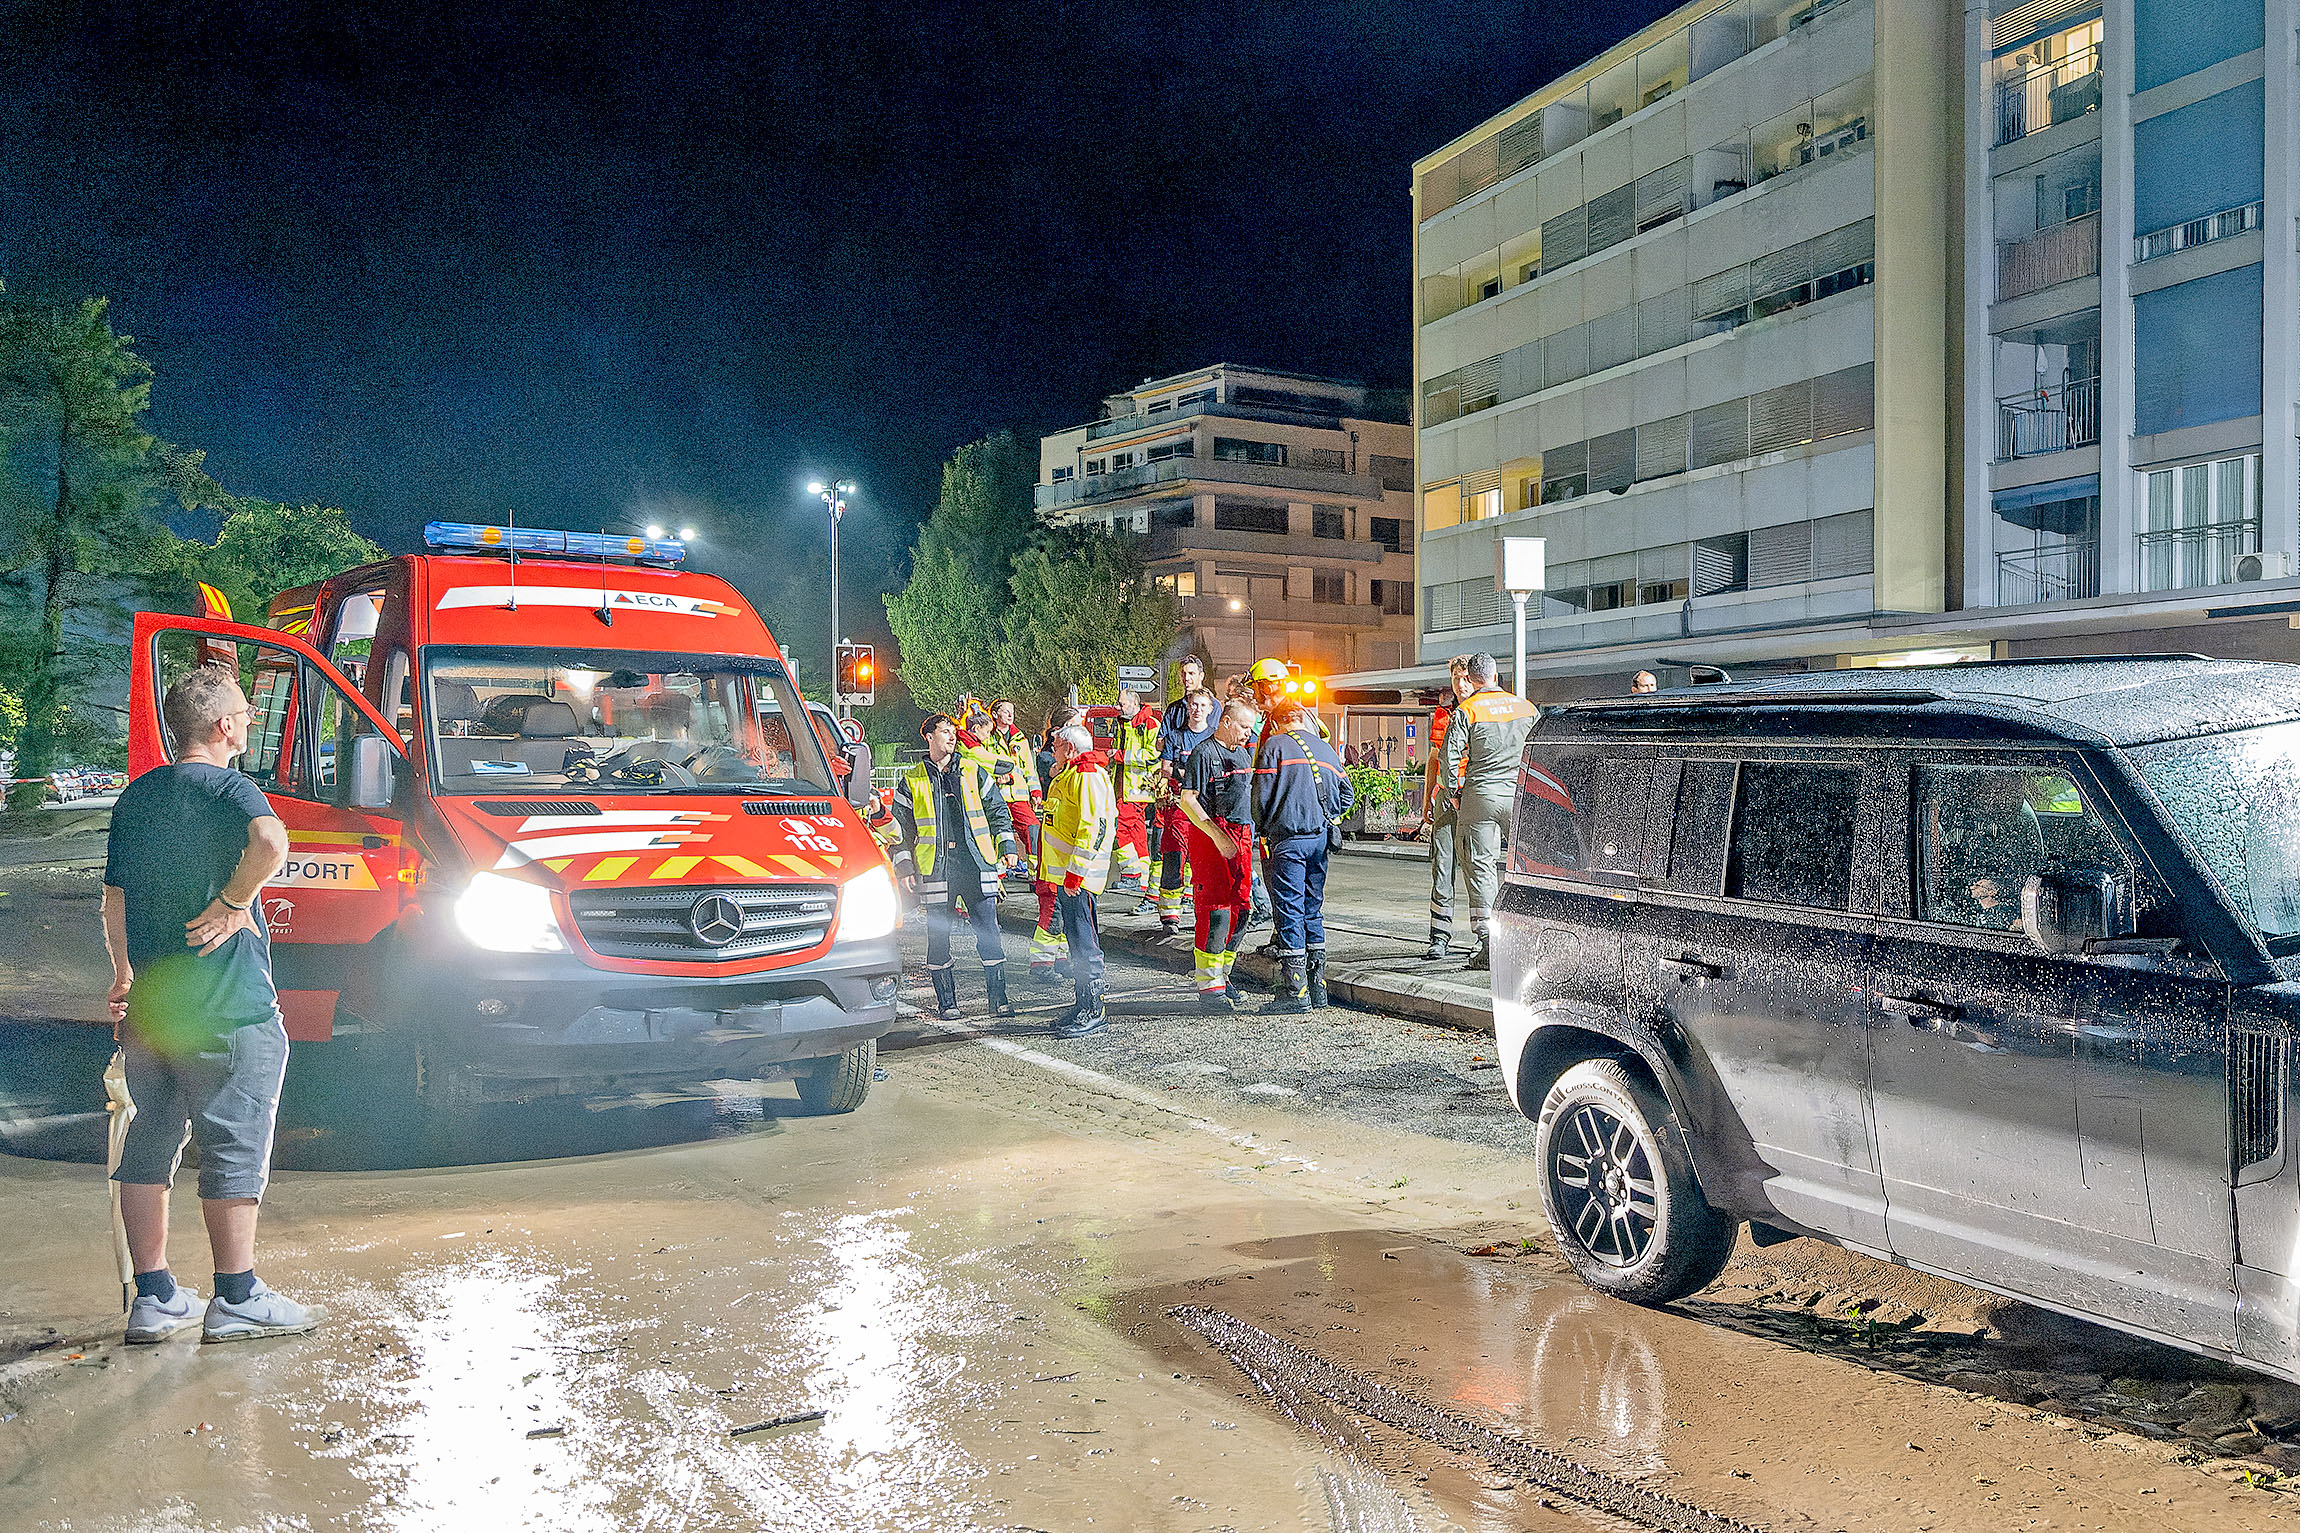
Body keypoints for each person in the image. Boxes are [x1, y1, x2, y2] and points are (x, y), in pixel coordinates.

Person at [102, 663, 317, 1345]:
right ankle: (236, 1294)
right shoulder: (233, 787)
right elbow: (272, 842)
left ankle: (155, 1294)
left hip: (153, 1006)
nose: (250, 722)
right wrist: (233, 901)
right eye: (246, 716)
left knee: (151, 1138)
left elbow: (114, 897)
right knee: (234, 1141)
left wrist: (124, 974)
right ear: (223, 725)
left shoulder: (137, 797)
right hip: (228, 1007)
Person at [892, 713, 1022, 1021]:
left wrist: (1007, 847)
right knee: (939, 938)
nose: (952, 737)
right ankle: (947, 1004)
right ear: (929, 737)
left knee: (989, 933)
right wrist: (905, 867)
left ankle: (999, 1000)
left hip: (977, 864)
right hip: (937, 869)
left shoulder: (973, 771)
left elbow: (998, 812)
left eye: (953, 732)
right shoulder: (912, 780)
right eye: (944, 732)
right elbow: (899, 830)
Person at [1251, 697, 1355, 1015]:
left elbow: (1260, 797)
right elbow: (1347, 793)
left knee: (1289, 911)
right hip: (1320, 840)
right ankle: (1318, 988)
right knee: (1312, 910)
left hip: (1288, 841)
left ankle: (1294, 993)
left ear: (1279, 721)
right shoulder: (1326, 750)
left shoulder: (1274, 746)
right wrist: (1330, 815)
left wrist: (1264, 825)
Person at [1442, 652, 1539, 970]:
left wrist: (1456, 793)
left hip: (1480, 796)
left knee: (1479, 867)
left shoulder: (1466, 710)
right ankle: (1528, 937)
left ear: (1469, 678)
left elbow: (1450, 759)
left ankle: (1488, 944)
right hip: (1519, 797)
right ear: (1497, 676)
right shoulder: (1526, 708)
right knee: (1526, 866)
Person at [1038, 723, 1117, 1038]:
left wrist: (1075, 874)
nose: (1052, 750)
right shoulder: (1071, 774)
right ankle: (1083, 1004)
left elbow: (1091, 828)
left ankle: (1094, 1010)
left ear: (1070, 748)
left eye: (1056, 745)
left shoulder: (1086, 775)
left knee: (1085, 944)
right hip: (1070, 877)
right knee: (1076, 942)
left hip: (1079, 879)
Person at [1179, 699, 1258, 1011]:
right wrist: (1217, 835)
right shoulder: (1204, 753)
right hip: (1213, 836)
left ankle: (1223, 976)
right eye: (1243, 726)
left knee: (1242, 908)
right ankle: (1209, 988)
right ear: (1226, 721)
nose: (1248, 734)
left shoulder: (1243, 752)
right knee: (1215, 912)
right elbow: (1188, 799)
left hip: (1241, 834)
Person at [1416, 659, 1473, 961]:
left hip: (1474, 798)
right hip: (1446, 799)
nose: (1460, 684)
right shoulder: (1443, 716)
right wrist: (1427, 799)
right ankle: (1439, 937)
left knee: (1478, 870)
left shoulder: (1481, 712)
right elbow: (1434, 758)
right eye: (1455, 677)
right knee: (1442, 867)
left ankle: (1485, 939)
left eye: (1465, 678)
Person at [1027, 703, 1085, 984]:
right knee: (1052, 909)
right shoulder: (1049, 760)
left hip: (1062, 848)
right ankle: (1041, 963)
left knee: (1062, 909)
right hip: (1053, 850)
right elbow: (1053, 774)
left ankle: (1060, 959)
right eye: (1076, 724)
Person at [1152, 687, 1216, 931]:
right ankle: (1169, 916)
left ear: (1210, 710)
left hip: (1207, 808)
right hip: (1179, 807)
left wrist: (1186, 771)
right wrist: (1192, 773)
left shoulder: (1214, 737)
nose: (1197, 709)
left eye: (1202, 705)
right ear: (1188, 707)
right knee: (1174, 856)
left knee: (1205, 862)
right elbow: (1166, 768)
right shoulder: (1176, 737)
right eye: (1193, 704)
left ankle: (1205, 915)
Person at [1111, 687, 1161, 904]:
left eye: (1122, 703)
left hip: (1137, 787)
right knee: (1137, 830)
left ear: (1134, 703)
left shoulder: (1148, 724)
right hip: (1126, 786)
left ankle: (1131, 874)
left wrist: (1121, 756)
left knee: (1119, 825)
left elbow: (1153, 754)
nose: (1119, 707)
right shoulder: (1125, 723)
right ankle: (1141, 874)